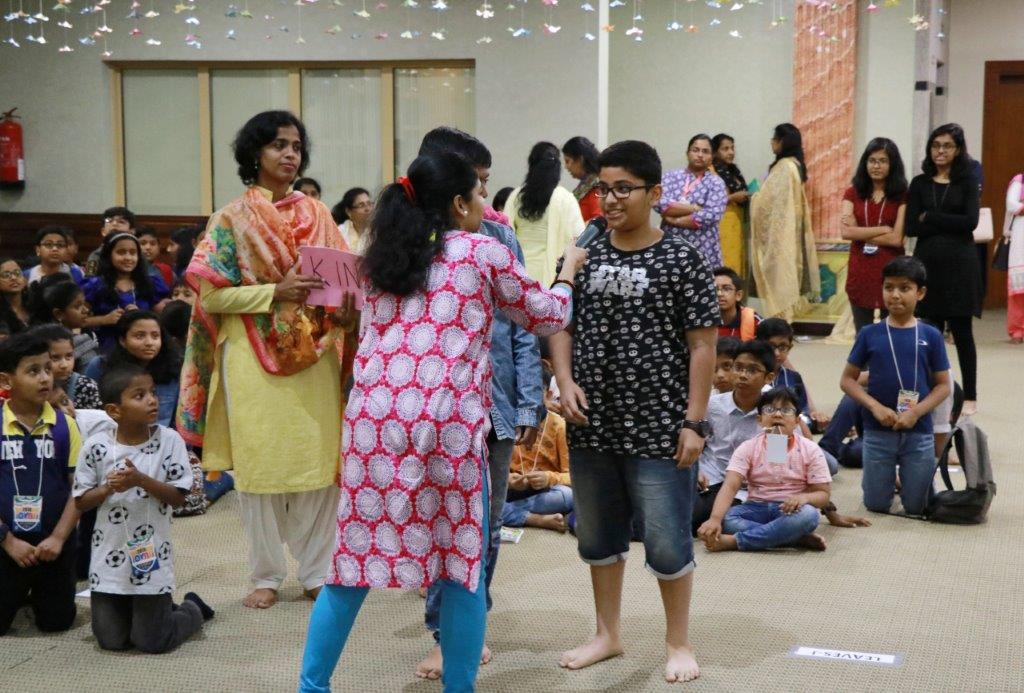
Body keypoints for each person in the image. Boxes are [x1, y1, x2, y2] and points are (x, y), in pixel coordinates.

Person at [298, 151, 581, 693]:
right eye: (478, 192)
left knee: (351, 564)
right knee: (461, 565)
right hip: (445, 424)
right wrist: (568, 272)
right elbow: (548, 315)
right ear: (458, 202)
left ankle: (311, 688)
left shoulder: (381, 258)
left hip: (373, 425)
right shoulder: (482, 251)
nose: (484, 202)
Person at [551, 140, 719, 683]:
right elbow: (559, 320)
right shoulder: (584, 252)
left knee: (667, 540)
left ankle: (678, 642)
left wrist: (694, 421)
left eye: (624, 188)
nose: (611, 199)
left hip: (660, 425)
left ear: (655, 193)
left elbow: (703, 346)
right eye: (604, 188)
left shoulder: (683, 258)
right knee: (598, 537)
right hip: (592, 422)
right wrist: (564, 380)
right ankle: (608, 634)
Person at [177, 110, 356, 610]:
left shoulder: (319, 215)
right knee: (259, 467)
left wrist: (348, 310)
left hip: (316, 354)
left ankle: (317, 570)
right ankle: (266, 574)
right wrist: (274, 292)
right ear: (254, 153)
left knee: (318, 463)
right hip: (250, 357)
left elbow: (344, 285)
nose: (290, 154)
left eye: (296, 146)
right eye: (278, 144)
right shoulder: (231, 218)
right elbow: (212, 297)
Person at [413, 126, 546, 682]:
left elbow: (524, 324)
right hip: (429, 408)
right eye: (478, 184)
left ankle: (463, 627)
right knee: (434, 524)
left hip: (495, 403)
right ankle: (443, 627)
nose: (486, 197)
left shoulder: (498, 237)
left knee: (485, 527)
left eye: (488, 183)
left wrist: (529, 401)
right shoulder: (405, 240)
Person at [72, 364, 214, 653]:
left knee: (152, 641)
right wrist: (108, 488)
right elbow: (81, 501)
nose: (152, 400)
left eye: (152, 392)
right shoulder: (97, 446)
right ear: (114, 411)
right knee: (112, 641)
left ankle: (193, 608)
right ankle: (149, 612)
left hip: (151, 556)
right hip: (108, 557)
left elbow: (179, 498)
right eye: (140, 396)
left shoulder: (169, 440)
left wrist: (140, 480)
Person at [840, 256, 952, 516]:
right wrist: (874, 407)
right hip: (878, 431)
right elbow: (847, 380)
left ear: (920, 293)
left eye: (904, 288)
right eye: (888, 287)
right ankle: (895, 481)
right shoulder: (869, 334)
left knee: (918, 507)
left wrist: (916, 412)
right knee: (876, 505)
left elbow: (944, 386)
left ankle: (909, 482)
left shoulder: (931, 335)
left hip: (918, 430)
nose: (895, 295)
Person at [0, 332, 82, 636]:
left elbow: (79, 489)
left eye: (47, 369)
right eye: (33, 371)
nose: (45, 378)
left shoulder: (65, 426)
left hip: (53, 544)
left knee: (57, 623)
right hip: (5, 541)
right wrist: (8, 541)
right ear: (6, 380)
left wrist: (59, 538)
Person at [697, 386, 832, 552]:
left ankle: (736, 541)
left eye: (786, 410)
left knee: (809, 515)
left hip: (791, 511)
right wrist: (715, 519)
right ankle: (793, 538)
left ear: (797, 421)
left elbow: (823, 494)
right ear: (759, 419)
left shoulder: (810, 449)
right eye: (769, 410)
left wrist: (803, 498)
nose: (777, 414)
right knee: (728, 519)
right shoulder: (748, 447)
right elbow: (730, 486)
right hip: (756, 507)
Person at [905, 124, 980, 416]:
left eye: (947, 146)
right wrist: (947, 221)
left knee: (962, 332)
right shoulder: (920, 183)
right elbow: (912, 226)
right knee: (928, 332)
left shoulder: (967, 181)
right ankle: (927, 390)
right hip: (928, 265)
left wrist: (931, 217)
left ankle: (970, 395)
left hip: (961, 265)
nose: (940, 151)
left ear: (957, 150)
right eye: (936, 145)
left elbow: (970, 222)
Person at [750, 123, 820, 319]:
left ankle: (780, 321)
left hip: (780, 234)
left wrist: (754, 197)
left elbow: (767, 203)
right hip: (790, 230)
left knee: (780, 277)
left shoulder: (784, 167)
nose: (772, 143)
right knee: (786, 274)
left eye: (775, 139)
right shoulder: (796, 165)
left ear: (783, 142)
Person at [841, 138, 909, 333]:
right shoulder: (852, 193)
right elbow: (846, 232)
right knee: (863, 333)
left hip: (891, 269)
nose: (876, 166)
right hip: (860, 269)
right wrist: (883, 229)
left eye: (882, 161)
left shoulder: (902, 195)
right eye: (872, 161)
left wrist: (859, 232)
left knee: (892, 331)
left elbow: (896, 239)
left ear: (892, 164)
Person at [504, 141, 586, 286]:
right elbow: (579, 237)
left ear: (531, 165)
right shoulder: (565, 198)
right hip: (553, 274)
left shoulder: (516, 196)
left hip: (518, 272)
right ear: (557, 168)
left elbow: (504, 232)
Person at [86, 311, 182, 428]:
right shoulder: (100, 366)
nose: (149, 343)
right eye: (140, 336)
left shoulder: (174, 369)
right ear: (122, 340)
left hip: (162, 437)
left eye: (155, 336)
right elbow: (90, 413)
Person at [503, 378, 573, 533]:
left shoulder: (559, 426)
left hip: (544, 492)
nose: (526, 399)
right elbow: (490, 472)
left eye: (533, 392)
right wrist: (508, 480)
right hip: (510, 489)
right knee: (480, 497)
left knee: (568, 496)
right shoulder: (505, 422)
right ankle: (535, 519)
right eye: (520, 393)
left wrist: (548, 478)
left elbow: (572, 476)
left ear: (548, 395)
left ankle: (506, 512)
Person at [82, 233, 170, 353]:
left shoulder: (150, 283)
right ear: (109, 255)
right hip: (106, 349)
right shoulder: (95, 285)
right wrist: (104, 319)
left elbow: (164, 318)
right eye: (121, 252)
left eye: (133, 253)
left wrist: (141, 315)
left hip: (143, 348)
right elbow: (77, 321)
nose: (128, 258)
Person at [656, 133, 728, 268]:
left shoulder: (716, 183)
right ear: (687, 153)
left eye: (705, 151)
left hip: (703, 248)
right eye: (695, 150)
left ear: (712, 157)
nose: (700, 155)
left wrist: (675, 220)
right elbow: (659, 203)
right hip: (670, 247)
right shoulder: (670, 177)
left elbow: (713, 214)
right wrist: (694, 208)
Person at [755, 318, 832, 439]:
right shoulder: (752, 377)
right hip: (757, 433)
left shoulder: (793, 378)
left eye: (782, 347)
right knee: (777, 432)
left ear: (790, 348)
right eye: (771, 346)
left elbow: (802, 414)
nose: (777, 353)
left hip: (788, 435)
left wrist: (818, 420)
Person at [27, 276, 101, 373]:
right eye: (77, 306)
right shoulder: (81, 343)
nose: (86, 310)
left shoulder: (84, 334)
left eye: (84, 304)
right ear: (58, 314)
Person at [31, 324, 102, 410]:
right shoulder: (29, 387)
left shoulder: (85, 386)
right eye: (55, 358)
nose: (64, 365)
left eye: (69, 356)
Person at [711, 134, 750, 275]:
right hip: (721, 226)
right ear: (715, 152)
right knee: (724, 265)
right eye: (725, 149)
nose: (731, 152)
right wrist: (733, 197)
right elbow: (707, 201)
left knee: (736, 264)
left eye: (732, 148)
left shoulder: (733, 171)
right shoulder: (710, 171)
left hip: (737, 223)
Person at [562, 136, 603, 222]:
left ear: (580, 159)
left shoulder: (596, 187)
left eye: (567, 161)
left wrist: (578, 228)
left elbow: (599, 219)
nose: (566, 167)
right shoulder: (586, 185)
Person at [85, 207, 136, 276]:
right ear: (103, 231)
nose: (114, 224)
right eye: (109, 221)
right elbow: (89, 278)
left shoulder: (137, 255)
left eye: (121, 221)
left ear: (131, 232)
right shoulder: (95, 256)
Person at [714, 266, 761, 339]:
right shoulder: (701, 320)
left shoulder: (754, 321)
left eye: (726, 289)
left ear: (738, 295)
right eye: (714, 289)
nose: (719, 294)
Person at [1005, 172, 1024, 342]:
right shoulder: (1020, 180)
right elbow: (1011, 204)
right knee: (1019, 288)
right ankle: (1017, 329)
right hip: (1021, 235)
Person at [331, 187, 373, 254]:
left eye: (369, 204)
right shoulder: (340, 232)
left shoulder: (379, 231)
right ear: (348, 212)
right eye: (361, 205)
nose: (368, 209)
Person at [1, 257, 31, 335]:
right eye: (6, 275)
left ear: (25, 280)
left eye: (17, 273)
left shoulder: (36, 305)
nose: (13, 278)